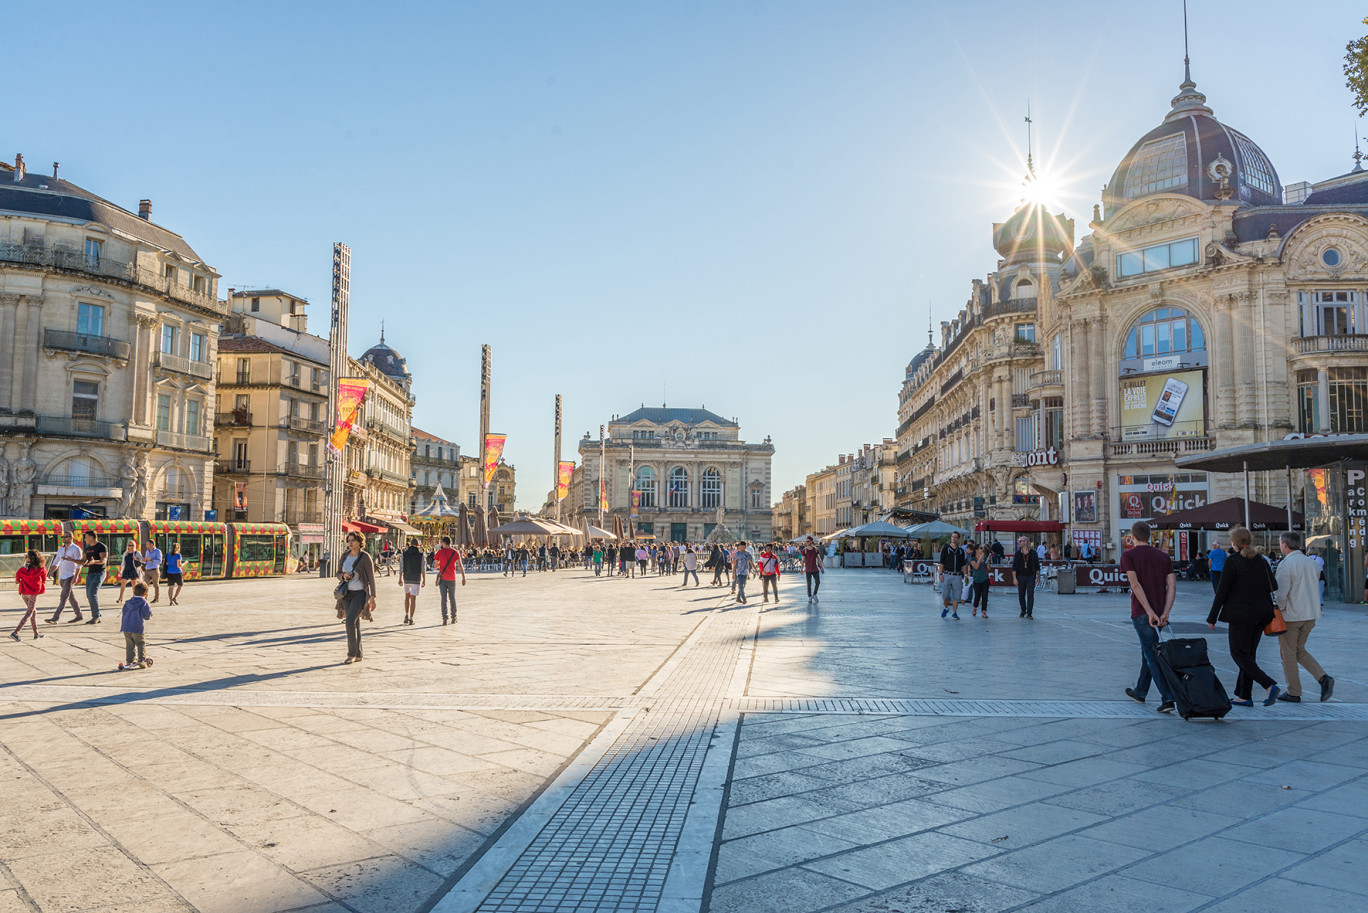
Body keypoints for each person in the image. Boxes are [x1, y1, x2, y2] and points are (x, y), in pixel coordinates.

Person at [1208, 526, 1280, 707]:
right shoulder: (1261, 560)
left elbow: (1222, 591)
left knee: (1239, 653)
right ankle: (1244, 694)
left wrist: (1212, 617)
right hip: (1262, 614)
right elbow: (1274, 584)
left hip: (1241, 614)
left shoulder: (1233, 561)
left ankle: (1268, 684)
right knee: (1249, 654)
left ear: (1234, 543)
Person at [1119, 521, 1176, 713]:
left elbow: (1135, 585)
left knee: (1152, 654)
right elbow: (1172, 585)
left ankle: (1167, 698)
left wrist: (1149, 611)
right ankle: (1141, 692)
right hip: (1160, 612)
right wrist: (1165, 612)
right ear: (1150, 536)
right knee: (1149, 650)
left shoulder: (1128, 555)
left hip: (1143, 613)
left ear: (1132, 537)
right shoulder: (1163, 556)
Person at [1275, 531, 1334, 703]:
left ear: (1285, 545)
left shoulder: (1286, 565)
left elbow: (1281, 594)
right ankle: (1323, 678)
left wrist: (1279, 611)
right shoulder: (1311, 564)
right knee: (1299, 650)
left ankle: (1294, 691)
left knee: (1288, 654)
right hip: (1310, 615)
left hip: (1292, 616)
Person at [337, 531, 377, 664]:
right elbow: (337, 573)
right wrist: (343, 576)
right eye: (349, 540)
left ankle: (351, 654)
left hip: (360, 593)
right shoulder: (344, 556)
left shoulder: (365, 557)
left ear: (360, 542)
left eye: (353, 540)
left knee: (349, 622)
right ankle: (359, 654)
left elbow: (371, 577)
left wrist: (372, 596)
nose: (350, 542)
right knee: (354, 623)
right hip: (346, 594)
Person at [47, 531, 85, 624]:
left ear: (71, 538)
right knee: (71, 597)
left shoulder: (76, 549)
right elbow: (56, 562)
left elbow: (78, 564)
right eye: (63, 537)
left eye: (66, 537)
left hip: (70, 576)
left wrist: (75, 577)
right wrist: (51, 571)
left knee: (63, 597)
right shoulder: (60, 550)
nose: (63, 539)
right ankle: (79, 615)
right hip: (62, 577)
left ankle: (55, 618)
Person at [10, 549, 46, 641]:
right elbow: (44, 579)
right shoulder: (41, 568)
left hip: (24, 592)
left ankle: (36, 633)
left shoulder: (23, 569)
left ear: (28, 559)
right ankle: (16, 632)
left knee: (33, 612)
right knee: (29, 612)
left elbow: (17, 580)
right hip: (33, 593)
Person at [118, 581, 153, 670]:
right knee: (140, 643)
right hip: (137, 627)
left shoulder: (127, 603)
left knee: (130, 645)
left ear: (134, 592)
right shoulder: (144, 603)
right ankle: (141, 659)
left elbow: (124, 614)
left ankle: (130, 660)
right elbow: (147, 616)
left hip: (126, 627)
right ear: (146, 594)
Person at [431, 536, 465, 625]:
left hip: (442, 578)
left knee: (443, 599)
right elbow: (460, 565)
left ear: (444, 543)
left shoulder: (440, 552)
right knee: (452, 598)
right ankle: (454, 617)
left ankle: (444, 618)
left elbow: (435, 566)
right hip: (452, 578)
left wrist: (440, 565)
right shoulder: (455, 552)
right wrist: (463, 577)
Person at [398, 537, 427, 626]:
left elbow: (401, 566)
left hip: (406, 577)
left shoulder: (405, 553)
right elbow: (423, 568)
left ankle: (406, 614)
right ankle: (411, 618)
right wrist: (424, 579)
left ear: (410, 544)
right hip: (416, 578)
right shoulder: (421, 554)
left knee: (407, 597)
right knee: (413, 598)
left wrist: (400, 578)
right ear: (418, 545)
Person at [81, 530, 107, 624]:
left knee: (92, 593)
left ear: (92, 537)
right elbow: (83, 561)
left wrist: (94, 561)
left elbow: (103, 560)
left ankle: (96, 616)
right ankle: (96, 615)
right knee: (89, 594)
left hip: (99, 573)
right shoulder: (87, 549)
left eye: (86, 537)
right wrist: (69, 559)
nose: (85, 539)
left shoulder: (101, 546)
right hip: (90, 573)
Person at [939, 533, 968, 618]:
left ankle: (954, 612)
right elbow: (941, 563)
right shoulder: (946, 549)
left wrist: (965, 575)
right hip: (947, 574)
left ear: (958, 539)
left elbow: (963, 564)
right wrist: (940, 574)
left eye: (955, 537)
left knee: (957, 595)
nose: (954, 539)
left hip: (958, 575)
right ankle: (946, 608)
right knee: (945, 594)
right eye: (952, 537)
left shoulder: (961, 551)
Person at [1012, 536, 1039, 619]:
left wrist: (1038, 577)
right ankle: (1023, 610)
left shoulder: (1033, 553)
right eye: (1019, 541)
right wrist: (1014, 578)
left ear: (1026, 542)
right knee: (1021, 595)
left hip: (1031, 576)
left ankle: (1029, 613)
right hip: (1020, 576)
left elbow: (1037, 565)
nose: (1019, 543)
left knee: (1030, 594)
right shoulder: (1017, 554)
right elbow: (1014, 567)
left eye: (1020, 541)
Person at [968, 544, 990, 618]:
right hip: (977, 580)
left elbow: (989, 568)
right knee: (977, 595)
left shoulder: (985, 557)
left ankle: (984, 611)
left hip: (985, 579)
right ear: (976, 550)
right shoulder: (972, 559)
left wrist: (988, 561)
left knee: (985, 596)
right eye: (981, 548)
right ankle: (975, 607)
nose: (982, 550)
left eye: (982, 548)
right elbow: (976, 567)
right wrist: (980, 559)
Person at [800, 536, 823, 602]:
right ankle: (809, 596)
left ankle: (814, 594)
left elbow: (819, 559)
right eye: (806, 541)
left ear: (811, 542)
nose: (806, 543)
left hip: (815, 569)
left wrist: (822, 567)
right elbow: (803, 560)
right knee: (809, 584)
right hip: (808, 569)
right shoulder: (805, 550)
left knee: (818, 582)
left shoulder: (816, 549)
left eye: (808, 541)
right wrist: (801, 569)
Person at [142, 539, 163, 604]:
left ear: (151, 545)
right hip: (147, 570)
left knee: (156, 585)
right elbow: (146, 559)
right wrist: (145, 560)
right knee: (145, 585)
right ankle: (144, 598)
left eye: (147, 544)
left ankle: (156, 598)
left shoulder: (158, 551)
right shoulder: (147, 551)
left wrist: (151, 560)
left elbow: (159, 561)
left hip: (154, 570)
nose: (146, 545)